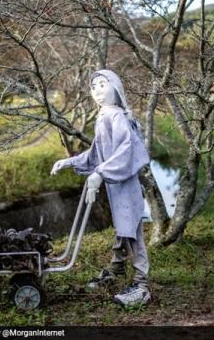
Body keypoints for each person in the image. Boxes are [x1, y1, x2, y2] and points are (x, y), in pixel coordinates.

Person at [50, 69, 151, 306]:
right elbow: (97, 153)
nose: (97, 90)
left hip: (126, 185)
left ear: (115, 87)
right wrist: (70, 161)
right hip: (117, 186)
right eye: (94, 86)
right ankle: (115, 270)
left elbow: (125, 151)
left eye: (103, 84)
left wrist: (100, 173)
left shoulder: (117, 117)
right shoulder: (104, 116)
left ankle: (142, 286)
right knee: (122, 228)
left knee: (133, 233)